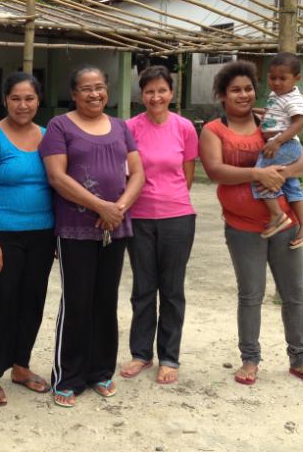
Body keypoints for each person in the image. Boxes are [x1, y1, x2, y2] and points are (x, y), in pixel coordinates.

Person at [199, 60, 303, 389]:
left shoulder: (269, 121)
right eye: (235, 90)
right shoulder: (214, 129)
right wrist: (257, 173)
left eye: (248, 88)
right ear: (222, 95)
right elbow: (215, 170)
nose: (243, 95)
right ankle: (250, 359)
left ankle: (300, 359)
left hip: (285, 224)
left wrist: (282, 173)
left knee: (294, 294)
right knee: (250, 295)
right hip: (242, 227)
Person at [39, 65, 145, 408]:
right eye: (86, 88)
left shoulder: (120, 127)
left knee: (105, 300)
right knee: (77, 301)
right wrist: (101, 206)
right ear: (74, 93)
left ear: (107, 90)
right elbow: (57, 176)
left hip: (115, 227)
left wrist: (119, 208)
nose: (94, 94)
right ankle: (67, 376)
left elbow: (138, 173)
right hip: (75, 228)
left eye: (99, 87)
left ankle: (100, 371)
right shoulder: (59, 126)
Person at [0, 72, 55, 406]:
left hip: (42, 234)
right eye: (16, 98)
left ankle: (20, 366)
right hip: (1, 234)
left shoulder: (48, 136)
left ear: (38, 100)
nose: (23, 105)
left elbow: (57, 183)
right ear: (5, 99)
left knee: (32, 301)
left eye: (29, 98)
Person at [119, 66, 198, 386]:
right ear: (142, 94)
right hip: (138, 218)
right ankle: (141, 353)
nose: (156, 97)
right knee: (143, 288)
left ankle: (169, 356)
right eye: (149, 91)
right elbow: (125, 173)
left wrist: (170, 200)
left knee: (172, 288)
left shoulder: (185, 127)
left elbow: (187, 174)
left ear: (172, 93)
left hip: (177, 217)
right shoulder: (129, 128)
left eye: (162, 90)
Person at [254, 53, 303, 246]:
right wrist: (257, 112)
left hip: (285, 145)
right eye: (272, 77)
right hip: (285, 145)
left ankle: (277, 215)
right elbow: (275, 114)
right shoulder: (277, 95)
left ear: (296, 78)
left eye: (283, 78)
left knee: (261, 175)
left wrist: (277, 141)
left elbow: (299, 123)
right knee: (291, 186)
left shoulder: (295, 99)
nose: (276, 82)